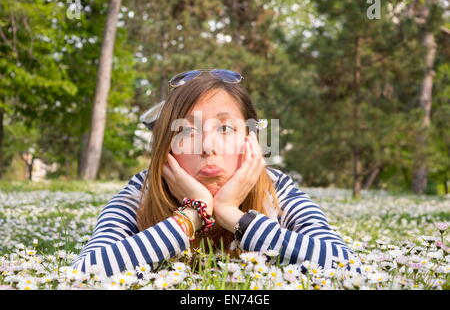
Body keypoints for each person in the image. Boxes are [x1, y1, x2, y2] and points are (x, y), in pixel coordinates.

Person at [71, 69, 359, 278]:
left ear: (250, 140)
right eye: (186, 130)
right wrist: (192, 215)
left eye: (225, 128)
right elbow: (84, 274)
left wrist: (234, 215)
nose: (207, 147)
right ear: (166, 148)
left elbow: (348, 266)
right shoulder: (140, 192)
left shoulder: (277, 189)